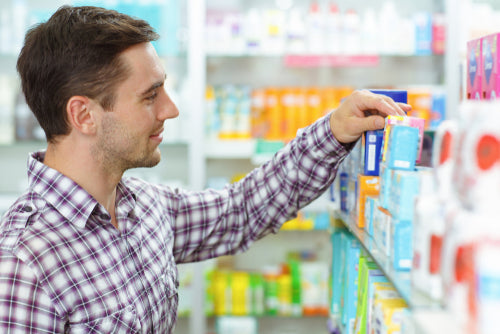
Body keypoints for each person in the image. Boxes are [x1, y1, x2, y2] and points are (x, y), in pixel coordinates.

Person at [0, 5, 410, 334]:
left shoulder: (141, 206)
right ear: (83, 115)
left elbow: (242, 209)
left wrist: (334, 131)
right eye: (150, 96)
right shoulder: (25, 264)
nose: (171, 110)